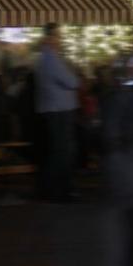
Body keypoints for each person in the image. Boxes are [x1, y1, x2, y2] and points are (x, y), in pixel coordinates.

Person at [35, 23, 81, 203]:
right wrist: (75, 78)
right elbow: (71, 81)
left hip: (54, 109)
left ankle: (54, 189)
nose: (60, 40)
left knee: (58, 151)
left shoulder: (44, 58)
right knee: (62, 152)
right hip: (60, 110)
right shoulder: (51, 59)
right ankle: (61, 190)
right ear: (50, 37)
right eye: (57, 36)